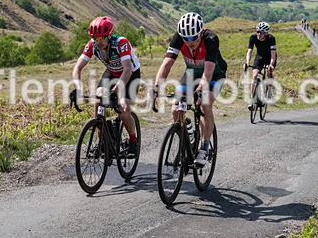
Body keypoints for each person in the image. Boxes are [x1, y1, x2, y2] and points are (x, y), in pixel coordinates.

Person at [153, 12, 227, 166]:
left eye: (193, 38)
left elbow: (208, 73)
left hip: (214, 74)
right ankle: (188, 136)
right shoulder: (179, 38)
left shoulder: (211, 39)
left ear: (200, 32)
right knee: (176, 109)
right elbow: (167, 63)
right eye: (185, 38)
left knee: (204, 104)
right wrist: (156, 87)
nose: (189, 41)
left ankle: (205, 148)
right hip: (191, 74)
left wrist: (201, 90)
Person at [71, 16, 141, 157]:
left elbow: (127, 70)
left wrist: (116, 91)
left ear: (109, 35)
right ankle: (102, 140)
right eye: (95, 39)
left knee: (123, 110)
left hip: (130, 75)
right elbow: (77, 68)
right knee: (98, 99)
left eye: (101, 38)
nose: (98, 42)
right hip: (112, 72)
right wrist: (78, 88)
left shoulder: (121, 43)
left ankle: (133, 140)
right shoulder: (92, 45)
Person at [243, 21, 277, 108]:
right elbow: (249, 52)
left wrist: (271, 64)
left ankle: (269, 88)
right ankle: (252, 100)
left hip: (270, 57)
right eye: (257, 31)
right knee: (254, 76)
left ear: (266, 33)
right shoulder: (253, 37)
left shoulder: (271, 38)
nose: (259, 34)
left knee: (268, 71)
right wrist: (247, 62)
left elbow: (273, 54)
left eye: (261, 32)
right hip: (259, 57)